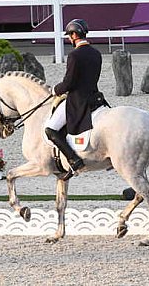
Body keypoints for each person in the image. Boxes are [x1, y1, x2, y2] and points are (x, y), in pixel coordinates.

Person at [45, 18, 103, 181]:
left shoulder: (74, 55)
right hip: (94, 97)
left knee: (50, 129)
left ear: (75, 34)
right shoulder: (96, 53)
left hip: (78, 100)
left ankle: (73, 159)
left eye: (69, 35)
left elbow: (69, 82)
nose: (69, 39)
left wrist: (56, 90)